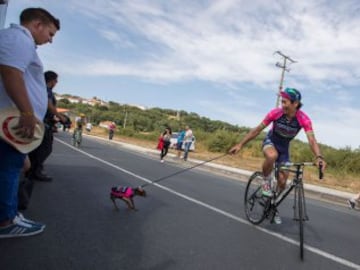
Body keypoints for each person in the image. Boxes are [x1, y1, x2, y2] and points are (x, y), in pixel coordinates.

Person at [0, 7, 60, 238]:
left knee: (17, 166)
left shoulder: (18, 40)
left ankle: (10, 213)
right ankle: (6, 221)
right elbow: (11, 73)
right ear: (38, 25)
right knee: (9, 168)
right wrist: (27, 112)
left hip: (12, 120)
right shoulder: (19, 40)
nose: (50, 40)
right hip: (14, 119)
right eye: (50, 33)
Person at [229, 88, 326, 224]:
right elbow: (257, 130)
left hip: (284, 149)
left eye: (285, 102)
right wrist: (240, 144)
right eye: (282, 101)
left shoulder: (304, 119)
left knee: (282, 182)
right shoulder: (275, 113)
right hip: (271, 142)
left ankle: (272, 205)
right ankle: (265, 181)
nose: (282, 105)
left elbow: (311, 140)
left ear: (295, 103)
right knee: (272, 156)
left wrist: (319, 156)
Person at [27, 71, 66, 182]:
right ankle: (34, 171)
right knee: (45, 148)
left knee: (37, 147)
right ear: (52, 80)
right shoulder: (46, 90)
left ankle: (32, 169)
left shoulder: (39, 88)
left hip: (42, 121)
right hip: (42, 123)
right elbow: (49, 106)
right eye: (56, 80)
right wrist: (60, 117)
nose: (57, 82)